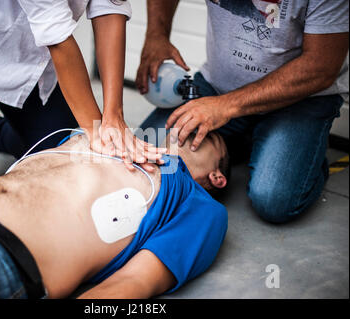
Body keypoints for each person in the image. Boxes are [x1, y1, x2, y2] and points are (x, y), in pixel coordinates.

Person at [0, 130, 229, 299]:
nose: (192, 128)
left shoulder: (201, 206)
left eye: (208, 135)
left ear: (218, 176)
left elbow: (132, 284)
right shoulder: (113, 137)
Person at [0, 0, 163, 195]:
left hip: (25, 62)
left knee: (70, 158)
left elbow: (108, 7)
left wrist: (113, 116)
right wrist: (96, 133)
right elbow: (58, 37)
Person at [136, 0, 349, 223]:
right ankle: (250, 141)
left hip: (300, 98)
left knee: (273, 200)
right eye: (191, 137)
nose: (178, 141)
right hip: (218, 87)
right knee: (139, 150)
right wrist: (156, 35)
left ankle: (306, 159)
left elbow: (321, 67)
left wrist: (225, 106)